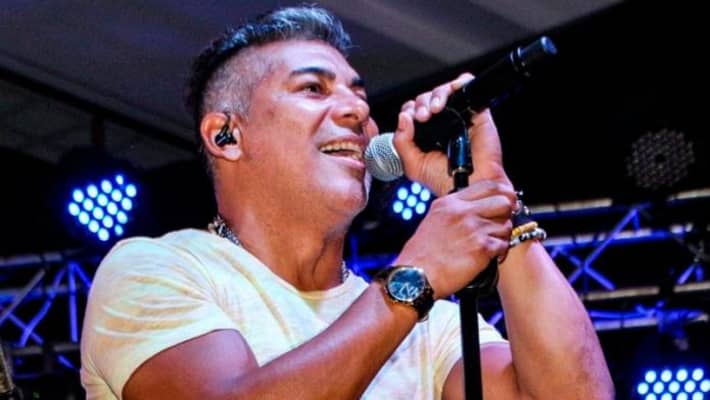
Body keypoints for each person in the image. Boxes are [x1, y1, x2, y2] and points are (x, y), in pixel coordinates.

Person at [80, 5, 613, 400]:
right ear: (227, 136)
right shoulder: (157, 268)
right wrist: (414, 279)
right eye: (313, 89)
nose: (358, 112)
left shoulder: (431, 327)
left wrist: (489, 192)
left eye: (358, 95)